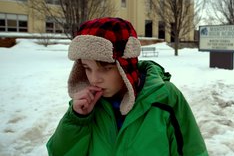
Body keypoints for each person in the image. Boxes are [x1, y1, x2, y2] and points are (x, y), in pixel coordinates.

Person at [46, 17, 208, 156]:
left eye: (106, 68)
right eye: (87, 68)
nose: (94, 79)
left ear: (125, 66)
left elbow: (192, 150)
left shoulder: (165, 98)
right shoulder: (85, 105)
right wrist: (77, 120)